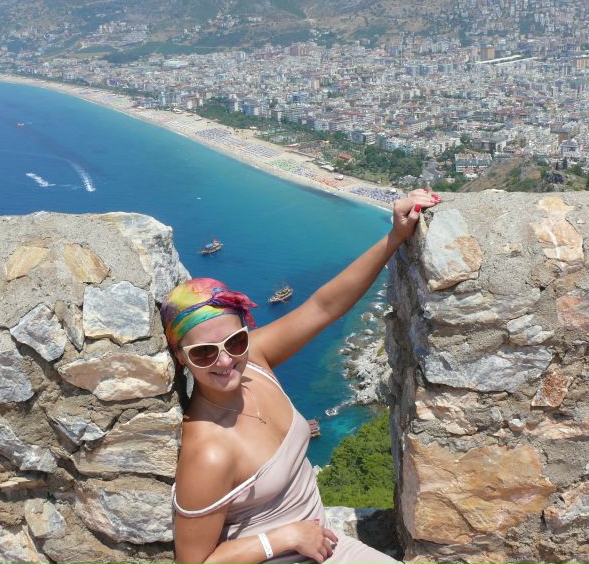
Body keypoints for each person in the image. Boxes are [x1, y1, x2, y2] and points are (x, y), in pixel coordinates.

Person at [162, 189, 441, 564]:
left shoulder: (255, 360)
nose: (225, 360)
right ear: (181, 358)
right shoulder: (209, 452)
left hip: (327, 548)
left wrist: (394, 236)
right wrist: (283, 537)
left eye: (235, 341)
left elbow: (324, 306)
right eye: (204, 353)